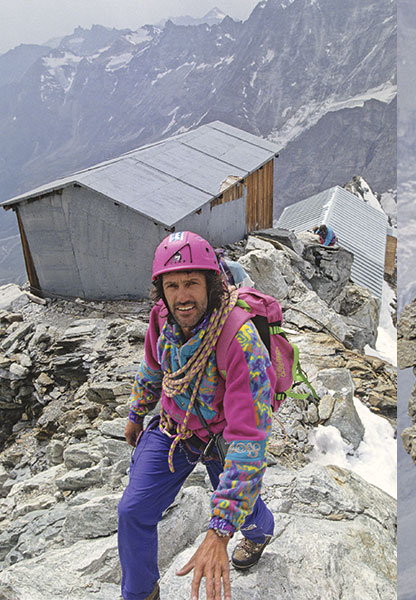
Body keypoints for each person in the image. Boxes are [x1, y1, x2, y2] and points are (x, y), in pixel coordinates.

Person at [118, 231, 277, 600]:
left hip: (221, 438)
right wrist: (137, 412)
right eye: (171, 285)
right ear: (161, 290)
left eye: (191, 283)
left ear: (212, 285)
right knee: (132, 510)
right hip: (174, 429)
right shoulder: (162, 320)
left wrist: (220, 531)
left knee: (245, 510)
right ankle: (141, 592)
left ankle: (259, 532)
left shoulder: (241, 341)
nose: (182, 296)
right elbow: (153, 366)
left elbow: (249, 440)